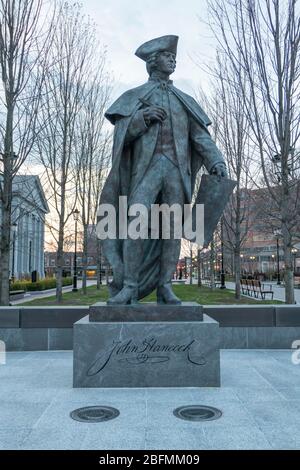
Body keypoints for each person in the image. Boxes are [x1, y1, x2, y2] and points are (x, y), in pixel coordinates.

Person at [100, 35, 227, 305]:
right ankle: (130, 287)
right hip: (145, 171)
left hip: (176, 172)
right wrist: (141, 119)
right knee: (136, 222)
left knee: (172, 229)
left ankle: (165, 286)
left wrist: (216, 161)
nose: (173, 59)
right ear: (152, 61)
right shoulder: (135, 97)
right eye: (167, 56)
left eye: (173, 56)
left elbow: (200, 137)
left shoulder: (184, 101)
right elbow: (121, 134)